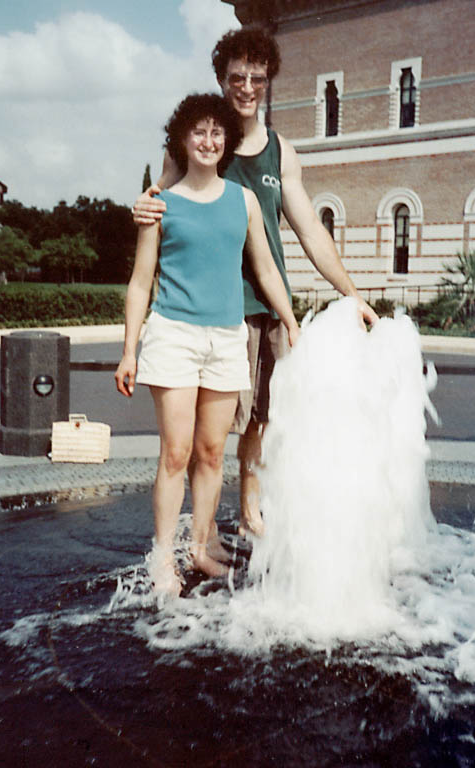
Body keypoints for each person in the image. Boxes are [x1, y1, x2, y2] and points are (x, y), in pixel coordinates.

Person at [132, 28, 379, 540]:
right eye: (237, 77)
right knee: (214, 434)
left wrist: (351, 294)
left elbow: (310, 227)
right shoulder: (197, 143)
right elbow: (160, 204)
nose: (247, 87)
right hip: (219, 309)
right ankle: (199, 534)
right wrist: (141, 203)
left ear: (268, 83)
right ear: (222, 80)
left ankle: (248, 508)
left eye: (257, 78)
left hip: (270, 301)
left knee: (264, 415)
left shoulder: (281, 152)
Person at [115, 93, 299, 597]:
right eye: (199, 131)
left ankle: (199, 546)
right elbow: (139, 282)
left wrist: (290, 319)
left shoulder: (242, 201)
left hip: (226, 339)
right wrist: (130, 350)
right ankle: (161, 558)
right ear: (182, 138)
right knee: (176, 453)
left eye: (217, 133)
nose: (208, 140)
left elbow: (264, 268)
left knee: (213, 452)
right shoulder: (160, 205)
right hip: (173, 335)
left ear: (227, 141)